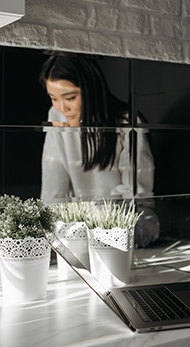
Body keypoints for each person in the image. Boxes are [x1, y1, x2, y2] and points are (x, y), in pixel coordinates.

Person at [39, 52, 158, 247]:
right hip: (76, 225)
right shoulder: (57, 117)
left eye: (69, 98)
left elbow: (136, 196)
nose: (62, 108)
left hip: (119, 222)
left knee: (145, 223)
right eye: (53, 98)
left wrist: (109, 226)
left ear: (90, 91)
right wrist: (50, 235)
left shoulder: (127, 123)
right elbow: (53, 191)